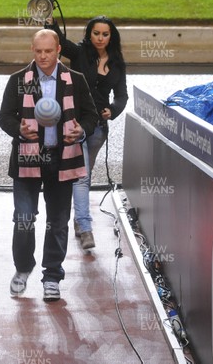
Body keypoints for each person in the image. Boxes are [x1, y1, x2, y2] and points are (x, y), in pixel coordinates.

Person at [0, 29, 98, 301]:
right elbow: (5, 117)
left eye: (48, 51)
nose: (43, 56)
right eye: (38, 51)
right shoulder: (18, 80)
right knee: (24, 218)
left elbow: (90, 115)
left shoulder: (75, 80)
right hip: (28, 157)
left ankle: (52, 276)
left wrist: (82, 131)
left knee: (58, 222)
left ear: (58, 51)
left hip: (63, 158)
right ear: (33, 50)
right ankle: (23, 268)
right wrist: (19, 130)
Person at [45, 16, 128, 249]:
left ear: (111, 36)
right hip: (76, 122)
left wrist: (112, 110)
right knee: (81, 176)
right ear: (89, 34)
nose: (100, 38)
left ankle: (79, 220)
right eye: (96, 33)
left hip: (98, 129)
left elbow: (122, 96)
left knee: (84, 174)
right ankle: (84, 226)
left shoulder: (118, 63)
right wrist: (49, 22)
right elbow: (58, 40)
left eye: (105, 34)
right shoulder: (79, 52)